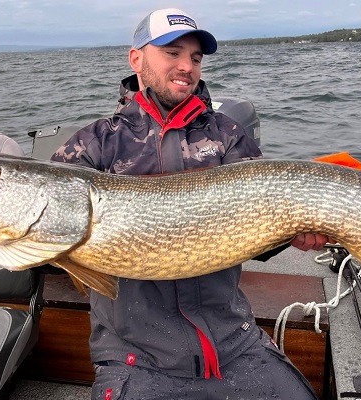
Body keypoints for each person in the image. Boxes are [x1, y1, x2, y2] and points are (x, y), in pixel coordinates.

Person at [51, 8, 327, 399]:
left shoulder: (227, 135)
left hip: (235, 343)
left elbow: (264, 217)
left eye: (195, 58)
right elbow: (50, 237)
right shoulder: (94, 144)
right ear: (137, 59)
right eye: (172, 52)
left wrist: (296, 234)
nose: (186, 66)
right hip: (138, 358)